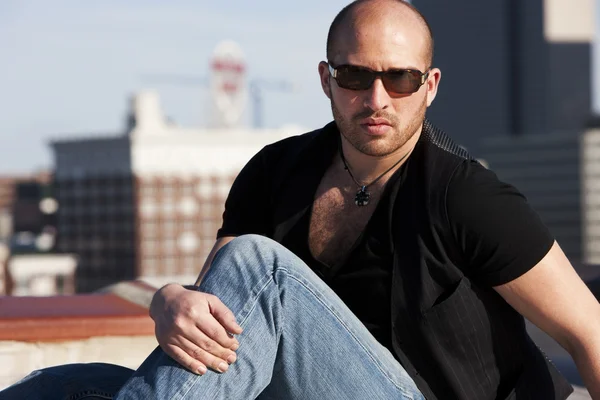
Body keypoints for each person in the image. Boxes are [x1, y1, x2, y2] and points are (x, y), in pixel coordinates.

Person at [3, 0, 600, 399]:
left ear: (430, 86)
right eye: (355, 77)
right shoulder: (275, 171)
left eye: (400, 79)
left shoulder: (469, 196)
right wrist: (168, 300)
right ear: (325, 79)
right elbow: (220, 313)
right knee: (61, 387)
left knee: (259, 266)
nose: (377, 99)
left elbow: (588, 331)